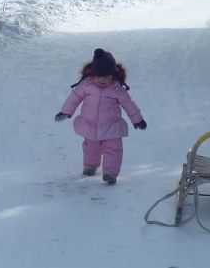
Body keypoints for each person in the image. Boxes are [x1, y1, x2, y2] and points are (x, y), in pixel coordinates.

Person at [54, 48, 147, 185]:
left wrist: (137, 120)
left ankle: (110, 173)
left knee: (113, 149)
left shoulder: (117, 90)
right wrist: (65, 112)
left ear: (113, 75)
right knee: (91, 148)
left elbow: (129, 105)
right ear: (93, 74)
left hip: (111, 127)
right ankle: (90, 166)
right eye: (99, 76)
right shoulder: (86, 86)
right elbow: (74, 98)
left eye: (107, 76)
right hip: (90, 126)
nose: (102, 80)